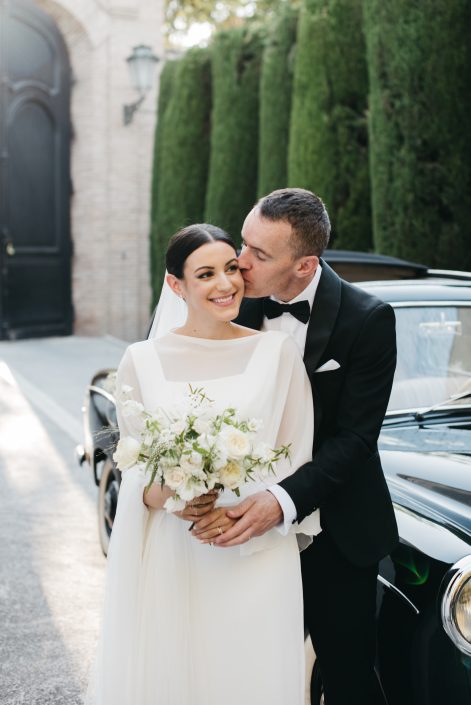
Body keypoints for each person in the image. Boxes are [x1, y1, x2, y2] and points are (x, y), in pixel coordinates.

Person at [85, 223, 320, 705]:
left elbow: (298, 458)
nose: (226, 284)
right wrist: (179, 494)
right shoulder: (141, 361)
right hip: (179, 554)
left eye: (231, 268)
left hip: (256, 553)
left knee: (251, 680)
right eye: (206, 274)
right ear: (176, 285)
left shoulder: (277, 354)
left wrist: (254, 513)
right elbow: (138, 477)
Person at [194, 189, 399, 705]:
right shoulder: (231, 305)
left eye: (259, 255)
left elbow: (354, 440)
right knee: (249, 674)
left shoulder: (368, 320)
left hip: (339, 534)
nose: (239, 262)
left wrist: (280, 502)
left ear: (304, 265)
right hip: (242, 532)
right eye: (244, 243)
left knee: (348, 677)